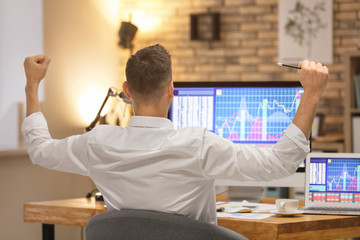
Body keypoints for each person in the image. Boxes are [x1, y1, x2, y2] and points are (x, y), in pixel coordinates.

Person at [22, 44, 328, 224]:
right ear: (171, 90)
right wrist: (311, 93)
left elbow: (39, 149)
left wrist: (32, 86)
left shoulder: (97, 142)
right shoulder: (197, 144)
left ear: (127, 91)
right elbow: (280, 163)